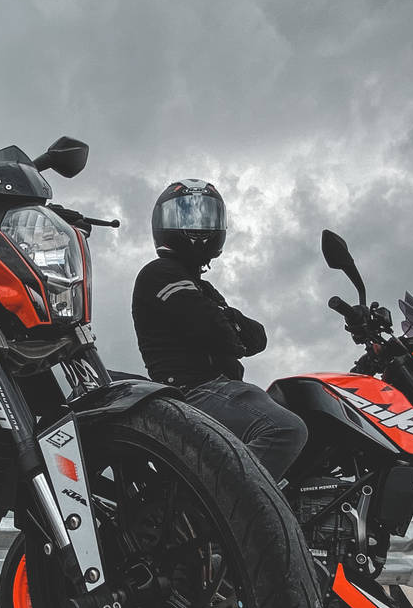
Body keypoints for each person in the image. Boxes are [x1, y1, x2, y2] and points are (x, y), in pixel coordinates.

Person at [131, 179, 307, 481]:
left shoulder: (202, 287)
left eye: (206, 217)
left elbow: (256, 337)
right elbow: (215, 331)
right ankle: (226, 516)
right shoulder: (159, 273)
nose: (197, 226)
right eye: (184, 216)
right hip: (194, 391)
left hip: (220, 389)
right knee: (284, 429)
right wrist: (227, 323)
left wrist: (227, 323)